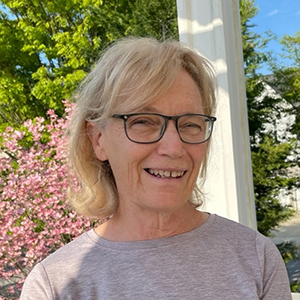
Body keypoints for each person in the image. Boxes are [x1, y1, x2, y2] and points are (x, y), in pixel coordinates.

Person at [21, 37, 292, 300]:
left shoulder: (256, 258)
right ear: (98, 140)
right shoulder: (53, 285)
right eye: (142, 121)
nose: (174, 148)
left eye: (190, 124)